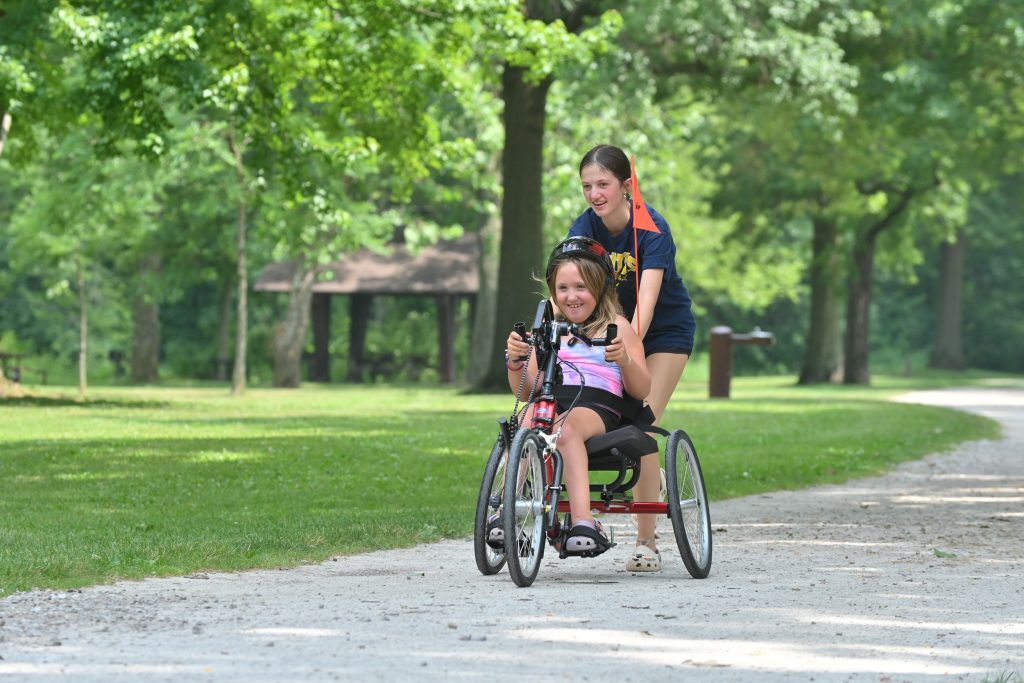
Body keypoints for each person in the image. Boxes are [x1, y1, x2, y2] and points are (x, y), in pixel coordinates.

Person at [567, 144, 697, 572]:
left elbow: (646, 304)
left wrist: (624, 349)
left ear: (627, 186)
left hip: (661, 333)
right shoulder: (584, 229)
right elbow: (568, 286)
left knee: (640, 424)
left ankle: (646, 544)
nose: (594, 193)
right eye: (587, 185)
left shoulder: (651, 229)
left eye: (602, 184)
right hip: (610, 334)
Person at [498, 236, 651, 556]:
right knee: (527, 419)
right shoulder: (548, 331)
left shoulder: (617, 327)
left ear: (599, 288)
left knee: (564, 429)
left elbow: (642, 389)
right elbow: (526, 390)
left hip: (598, 404)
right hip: (553, 398)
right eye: (563, 289)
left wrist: (624, 359)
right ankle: (505, 510)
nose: (571, 296)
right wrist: (515, 361)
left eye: (580, 287)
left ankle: (584, 520)